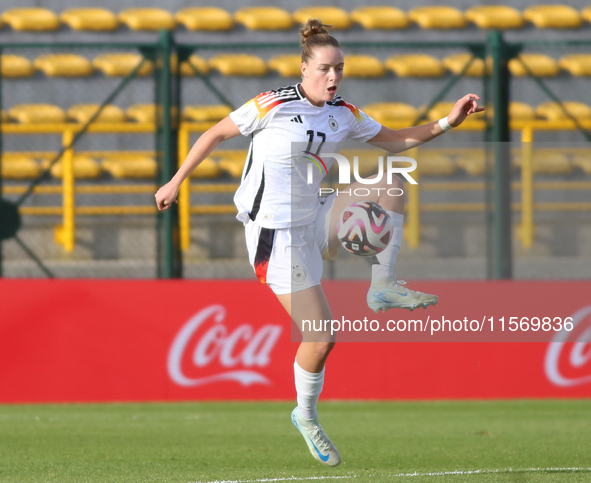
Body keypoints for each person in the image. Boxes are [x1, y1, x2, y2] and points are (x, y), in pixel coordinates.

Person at [156, 19, 484, 468]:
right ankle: (305, 416)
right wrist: (176, 181)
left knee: (392, 184)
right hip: (276, 234)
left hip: (316, 216)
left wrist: (449, 120)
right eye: (326, 69)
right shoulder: (271, 104)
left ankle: (381, 285)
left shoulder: (344, 113)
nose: (333, 77)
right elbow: (214, 134)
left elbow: (398, 141)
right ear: (304, 68)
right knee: (323, 336)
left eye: (340, 69)